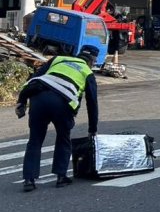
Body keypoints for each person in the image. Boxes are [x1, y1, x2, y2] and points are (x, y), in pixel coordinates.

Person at [15, 46, 100, 192]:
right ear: (92, 61)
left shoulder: (58, 59)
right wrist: (92, 129)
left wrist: (21, 101)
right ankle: (61, 177)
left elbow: (34, 78)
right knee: (63, 138)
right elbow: (92, 103)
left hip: (38, 99)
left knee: (35, 140)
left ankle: (29, 180)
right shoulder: (87, 72)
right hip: (62, 103)